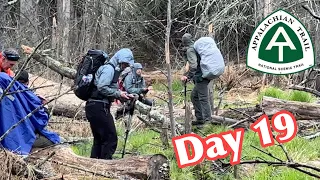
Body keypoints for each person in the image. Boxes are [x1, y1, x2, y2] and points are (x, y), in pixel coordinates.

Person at [85, 48, 134, 160]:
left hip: (94, 106)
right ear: (119, 60)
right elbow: (102, 87)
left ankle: (94, 165)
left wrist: (122, 96)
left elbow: (108, 90)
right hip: (99, 107)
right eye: (125, 64)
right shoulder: (109, 69)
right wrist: (118, 93)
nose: (126, 67)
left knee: (99, 139)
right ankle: (105, 165)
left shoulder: (112, 70)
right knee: (110, 138)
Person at [0, 72, 60, 155]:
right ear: (27, 82)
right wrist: (45, 107)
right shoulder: (31, 97)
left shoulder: (5, 91)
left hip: (5, 136)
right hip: (20, 138)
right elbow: (41, 122)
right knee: (53, 140)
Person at [180, 33, 212, 125]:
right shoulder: (196, 47)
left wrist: (188, 76)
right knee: (194, 96)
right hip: (203, 74)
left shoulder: (190, 50)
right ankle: (200, 118)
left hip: (201, 76)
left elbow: (193, 65)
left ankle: (207, 121)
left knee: (203, 98)